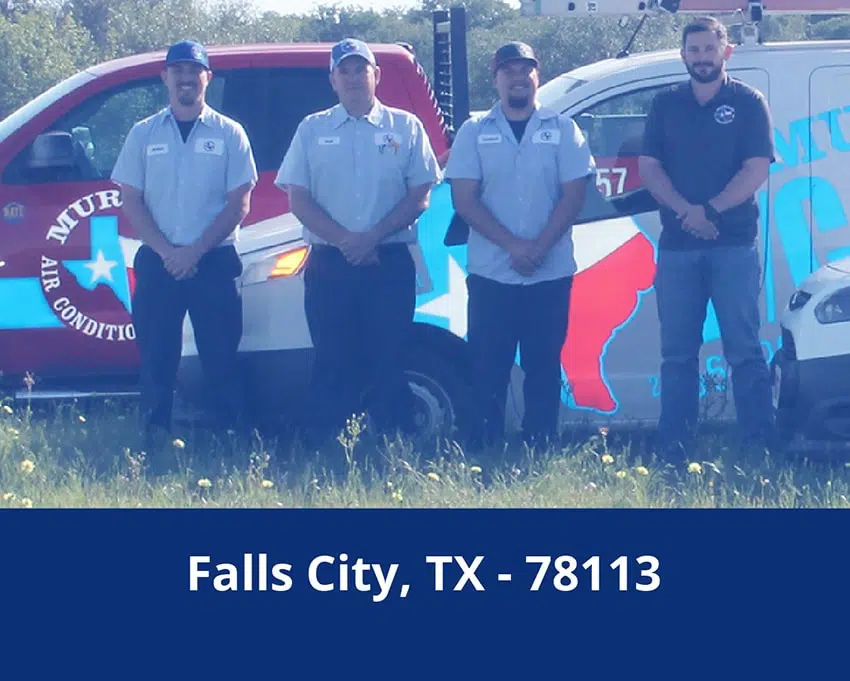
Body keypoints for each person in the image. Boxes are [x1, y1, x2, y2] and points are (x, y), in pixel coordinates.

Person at [275, 38, 441, 445]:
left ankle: (392, 444)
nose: (352, 77)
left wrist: (371, 239)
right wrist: (348, 242)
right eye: (344, 71)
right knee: (333, 359)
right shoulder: (312, 129)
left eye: (360, 69)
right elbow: (298, 198)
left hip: (389, 262)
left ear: (376, 75)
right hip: (330, 263)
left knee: (389, 358)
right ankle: (330, 446)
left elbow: (421, 193)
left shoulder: (405, 127)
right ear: (332, 80)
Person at [638, 16, 777, 459]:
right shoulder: (666, 104)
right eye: (693, 51)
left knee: (744, 351)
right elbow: (650, 169)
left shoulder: (749, 102)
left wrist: (710, 211)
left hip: (733, 245)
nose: (701, 58)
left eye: (708, 50)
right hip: (679, 249)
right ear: (683, 55)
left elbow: (755, 168)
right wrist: (686, 212)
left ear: (726, 52)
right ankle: (675, 447)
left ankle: (758, 444)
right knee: (677, 355)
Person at [111, 40, 258, 458]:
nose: (186, 78)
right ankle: (153, 442)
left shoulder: (230, 133)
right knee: (157, 359)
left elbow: (239, 202)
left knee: (220, 357)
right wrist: (167, 251)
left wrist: (193, 251)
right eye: (177, 71)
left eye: (194, 71)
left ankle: (229, 441)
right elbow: (131, 200)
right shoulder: (143, 133)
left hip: (212, 260)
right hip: (159, 263)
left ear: (207, 78)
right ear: (165, 78)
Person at [444, 42, 596, 447]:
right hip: (492, 274)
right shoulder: (474, 132)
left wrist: (539, 247)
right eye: (508, 70)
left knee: (543, 367)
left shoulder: (563, 129)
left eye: (525, 69)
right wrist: (514, 246)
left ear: (536, 76)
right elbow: (464, 200)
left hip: (551, 272)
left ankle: (540, 447)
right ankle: (483, 448)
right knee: (488, 369)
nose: (517, 77)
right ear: (495, 78)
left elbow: (574, 195)